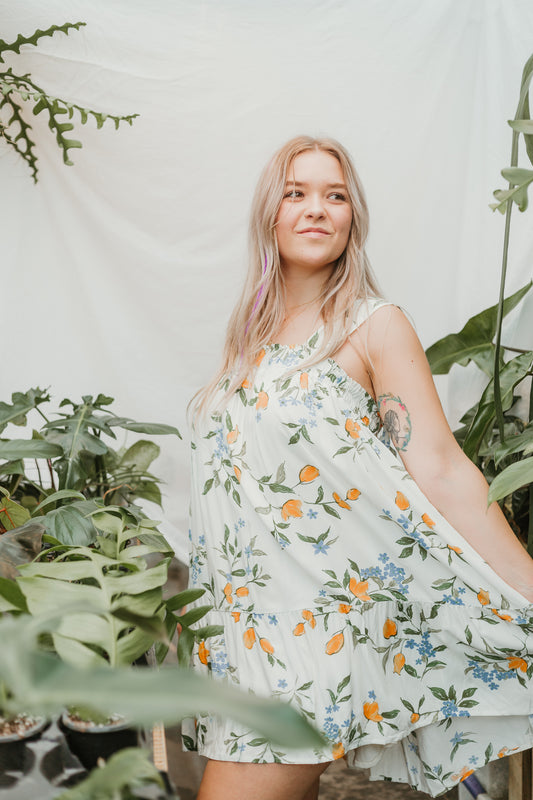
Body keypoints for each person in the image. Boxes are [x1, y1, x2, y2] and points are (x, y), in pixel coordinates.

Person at [182, 135, 533, 800]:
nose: (316, 209)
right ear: (269, 214)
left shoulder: (371, 326)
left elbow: (439, 468)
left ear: (352, 219)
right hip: (242, 650)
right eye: (296, 193)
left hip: (308, 645)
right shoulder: (248, 344)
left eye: (334, 195)